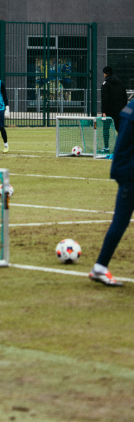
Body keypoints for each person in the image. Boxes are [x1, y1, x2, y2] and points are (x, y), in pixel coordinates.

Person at [89, 96, 134, 286]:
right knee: (120, 221)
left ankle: (100, 266)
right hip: (130, 172)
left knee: (120, 221)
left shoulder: (130, 107)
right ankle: (100, 267)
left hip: (125, 169)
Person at [101, 66, 128, 150]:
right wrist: (124, 108)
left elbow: (105, 98)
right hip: (120, 110)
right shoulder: (120, 83)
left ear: (105, 73)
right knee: (120, 129)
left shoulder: (106, 84)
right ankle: (122, 146)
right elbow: (125, 97)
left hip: (109, 111)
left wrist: (104, 111)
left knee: (106, 128)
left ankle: (106, 147)